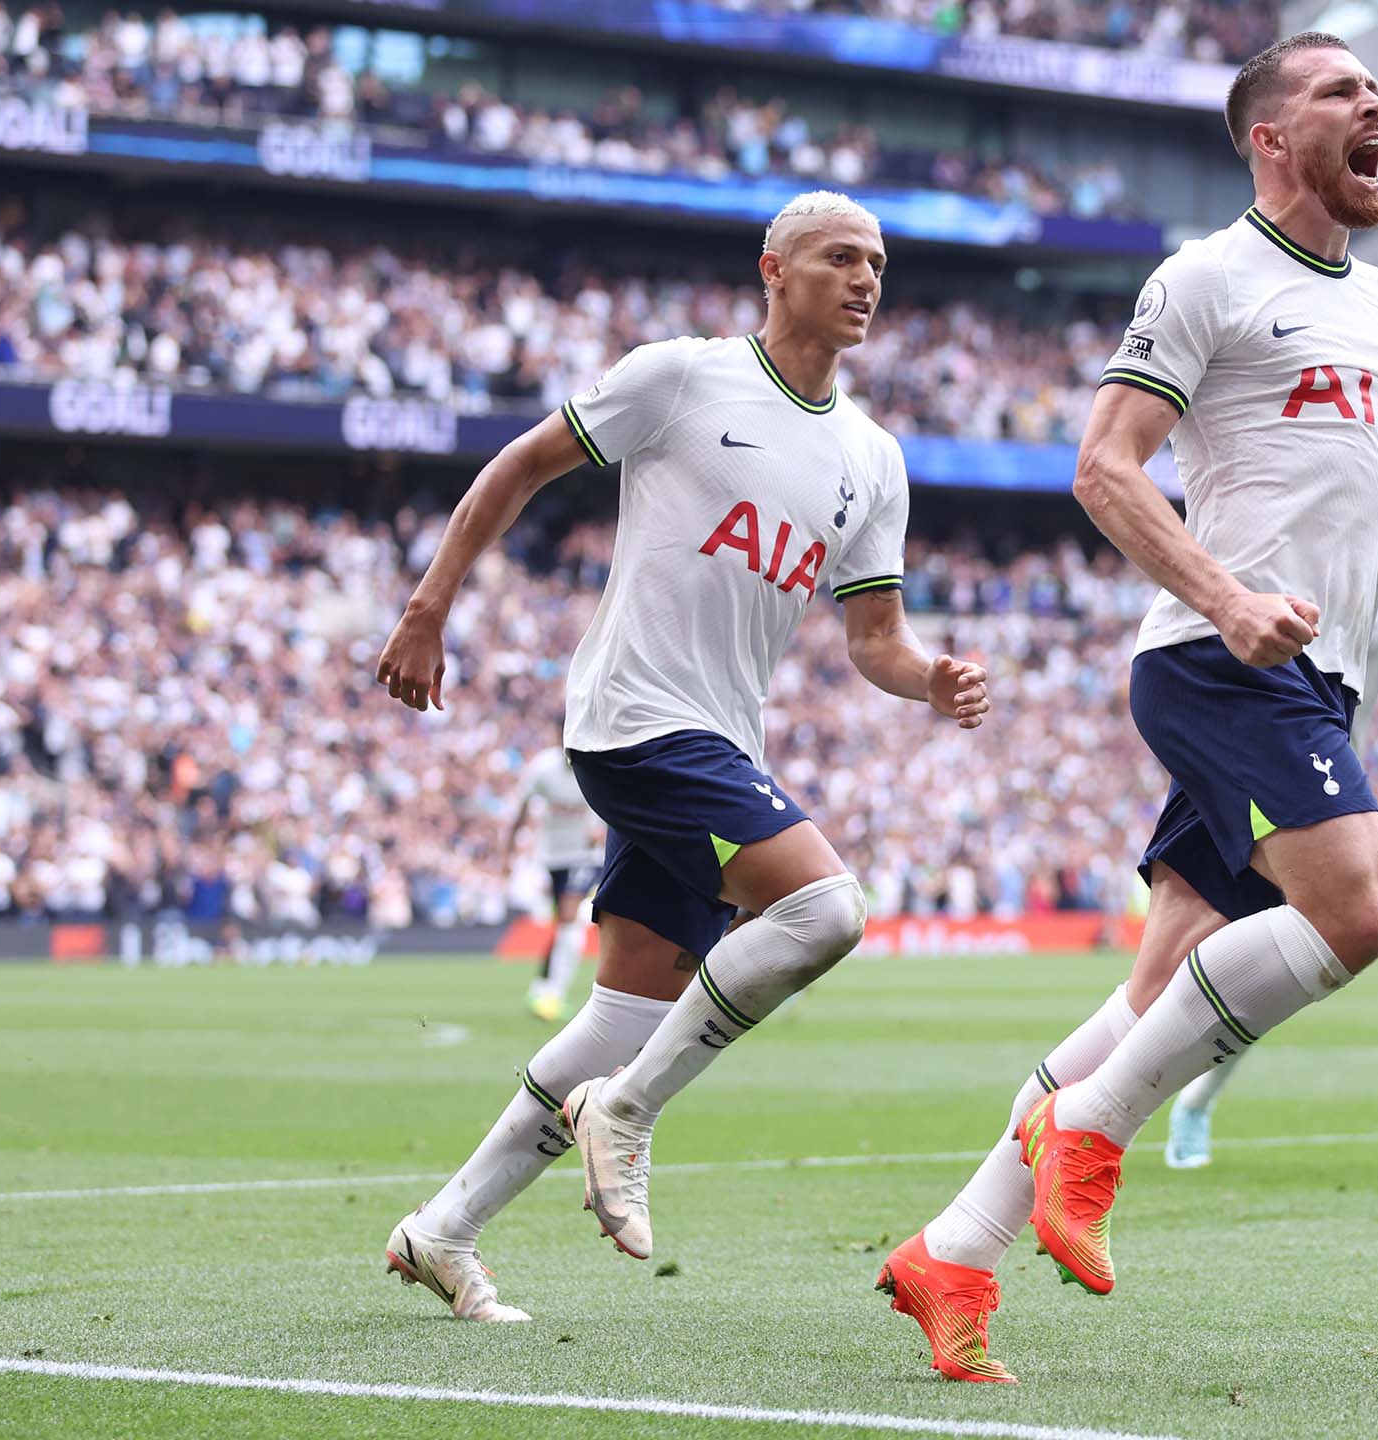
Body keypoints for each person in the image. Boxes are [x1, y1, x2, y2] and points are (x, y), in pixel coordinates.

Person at [872, 32, 1378, 1382]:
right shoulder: (1207, 280)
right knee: (1365, 909)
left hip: (1315, 677)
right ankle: (1090, 1128)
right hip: (1220, 663)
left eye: (1376, 93)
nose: (1373, 107)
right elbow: (1103, 467)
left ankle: (951, 1253)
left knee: (1162, 984)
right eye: (1341, 92)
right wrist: (1224, 597)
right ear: (1271, 136)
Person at [373, 191, 990, 1322]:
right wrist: (428, 608)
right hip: (634, 721)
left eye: (879, 264)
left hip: (716, 733)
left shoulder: (872, 456)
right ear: (774, 269)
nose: (865, 280)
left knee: (619, 1018)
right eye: (840, 258)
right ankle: (628, 1111)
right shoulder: (680, 377)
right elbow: (519, 465)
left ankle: (441, 1232)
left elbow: (875, 640)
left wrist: (931, 675)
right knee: (828, 910)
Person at [1163, 560, 1378, 1168]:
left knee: (1263, 958)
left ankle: (1167, 1105)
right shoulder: (1283, 549)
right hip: (1240, 748)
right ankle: (1095, 1112)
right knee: (1190, 943)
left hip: (1321, 782)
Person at [508, 745, 606, 1023]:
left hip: (585, 855)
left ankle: (553, 993)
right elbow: (523, 805)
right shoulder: (543, 768)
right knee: (563, 924)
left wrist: (605, 833)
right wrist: (508, 851)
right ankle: (542, 987)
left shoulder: (594, 764)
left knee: (568, 915)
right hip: (552, 856)